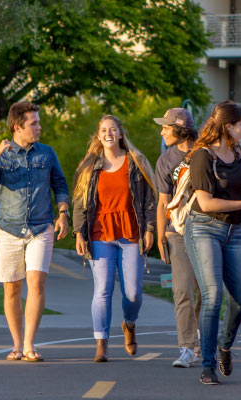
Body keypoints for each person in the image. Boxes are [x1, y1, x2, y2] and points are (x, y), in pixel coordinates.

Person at [0, 101, 70, 362]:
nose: (39, 127)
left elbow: (59, 183)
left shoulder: (46, 153)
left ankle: (29, 345)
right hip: (9, 229)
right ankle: (15, 344)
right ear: (17, 127)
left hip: (41, 227)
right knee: (12, 289)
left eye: (38, 122)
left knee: (36, 282)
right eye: (33, 123)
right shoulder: (2, 155)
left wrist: (63, 213)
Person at [184, 100, 241, 385]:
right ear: (227, 126)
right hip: (204, 228)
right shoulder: (202, 156)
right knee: (212, 296)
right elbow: (205, 203)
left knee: (240, 301)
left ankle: (224, 346)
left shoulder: (237, 153)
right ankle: (207, 366)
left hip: (235, 233)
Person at [73, 115, 156, 363]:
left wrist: (150, 228)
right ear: (98, 136)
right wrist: (79, 233)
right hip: (100, 234)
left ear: (120, 134)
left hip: (131, 233)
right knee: (103, 290)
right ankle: (101, 344)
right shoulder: (89, 167)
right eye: (103, 130)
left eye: (112, 129)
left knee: (132, 293)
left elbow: (150, 199)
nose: (108, 133)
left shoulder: (136, 162)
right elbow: (79, 202)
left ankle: (129, 324)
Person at [154, 108, 202, 368]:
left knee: (206, 294)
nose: (162, 131)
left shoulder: (205, 152)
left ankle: (200, 342)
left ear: (181, 128)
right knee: (182, 290)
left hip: (206, 231)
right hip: (178, 233)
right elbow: (162, 203)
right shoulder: (165, 160)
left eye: (166, 127)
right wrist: (161, 235)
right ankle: (186, 347)